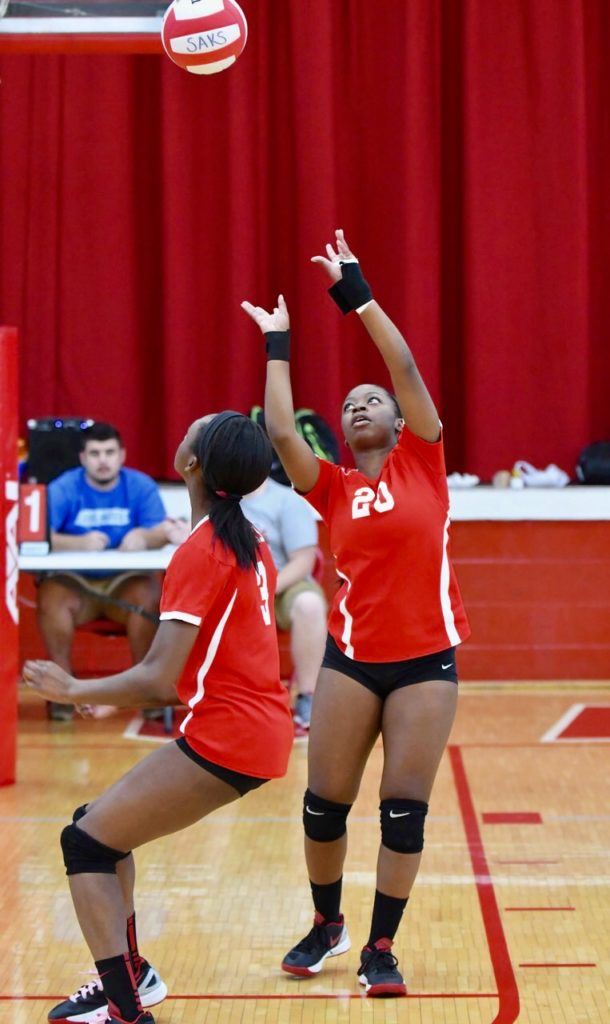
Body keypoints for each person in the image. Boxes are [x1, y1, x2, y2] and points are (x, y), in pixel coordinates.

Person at [242, 230, 470, 998]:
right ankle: (326, 921)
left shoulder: (424, 461)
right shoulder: (330, 486)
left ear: (402, 422)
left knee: (403, 812)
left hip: (425, 664)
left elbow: (402, 365)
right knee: (322, 807)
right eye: (350, 403)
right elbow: (279, 431)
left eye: (372, 400)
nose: (362, 403)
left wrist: (356, 294)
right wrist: (279, 343)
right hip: (352, 657)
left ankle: (381, 945)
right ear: (341, 430)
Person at [23, 411, 294, 1024]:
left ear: (192, 463)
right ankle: (135, 975)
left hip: (231, 735)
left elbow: (157, 678)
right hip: (247, 726)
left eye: (192, 430)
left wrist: (73, 688)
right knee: (98, 825)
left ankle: (124, 1009)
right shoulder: (246, 539)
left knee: (84, 844)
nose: (182, 430)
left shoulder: (203, 551)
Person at [37, 422, 168, 720]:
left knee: (149, 595)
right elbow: (39, 534)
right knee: (50, 596)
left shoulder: (140, 485)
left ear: (122, 455)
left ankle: (144, 687)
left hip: (125, 584)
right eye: (95, 453)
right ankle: (62, 691)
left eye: (109, 452)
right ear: (82, 458)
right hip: (76, 585)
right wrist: (75, 543)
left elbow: (162, 531)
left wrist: (143, 537)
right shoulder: (63, 487)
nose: (103, 460)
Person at [241, 475, 327, 730]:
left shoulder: (287, 501)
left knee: (309, 604)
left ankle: (308, 696)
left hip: (280, 584)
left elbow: (303, 561)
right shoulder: (217, 499)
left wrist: (265, 588)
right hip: (233, 586)